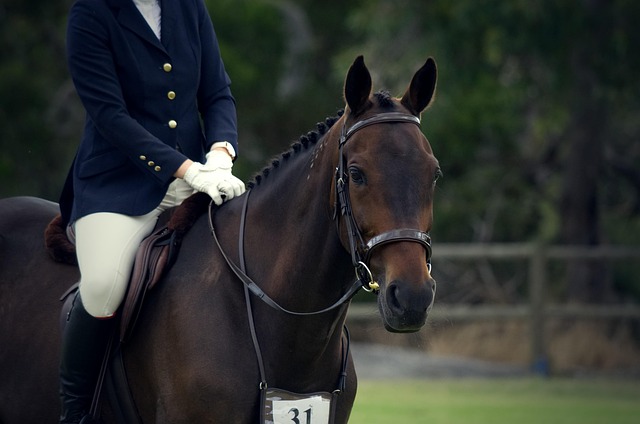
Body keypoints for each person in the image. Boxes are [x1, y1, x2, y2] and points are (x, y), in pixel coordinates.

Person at [58, 0, 245, 422]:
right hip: (117, 185)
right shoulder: (90, 14)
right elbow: (110, 116)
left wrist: (220, 152)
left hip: (199, 175)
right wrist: (188, 170)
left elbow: (217, 93)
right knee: (104, 284)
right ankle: (75, 412)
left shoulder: (188, 7)